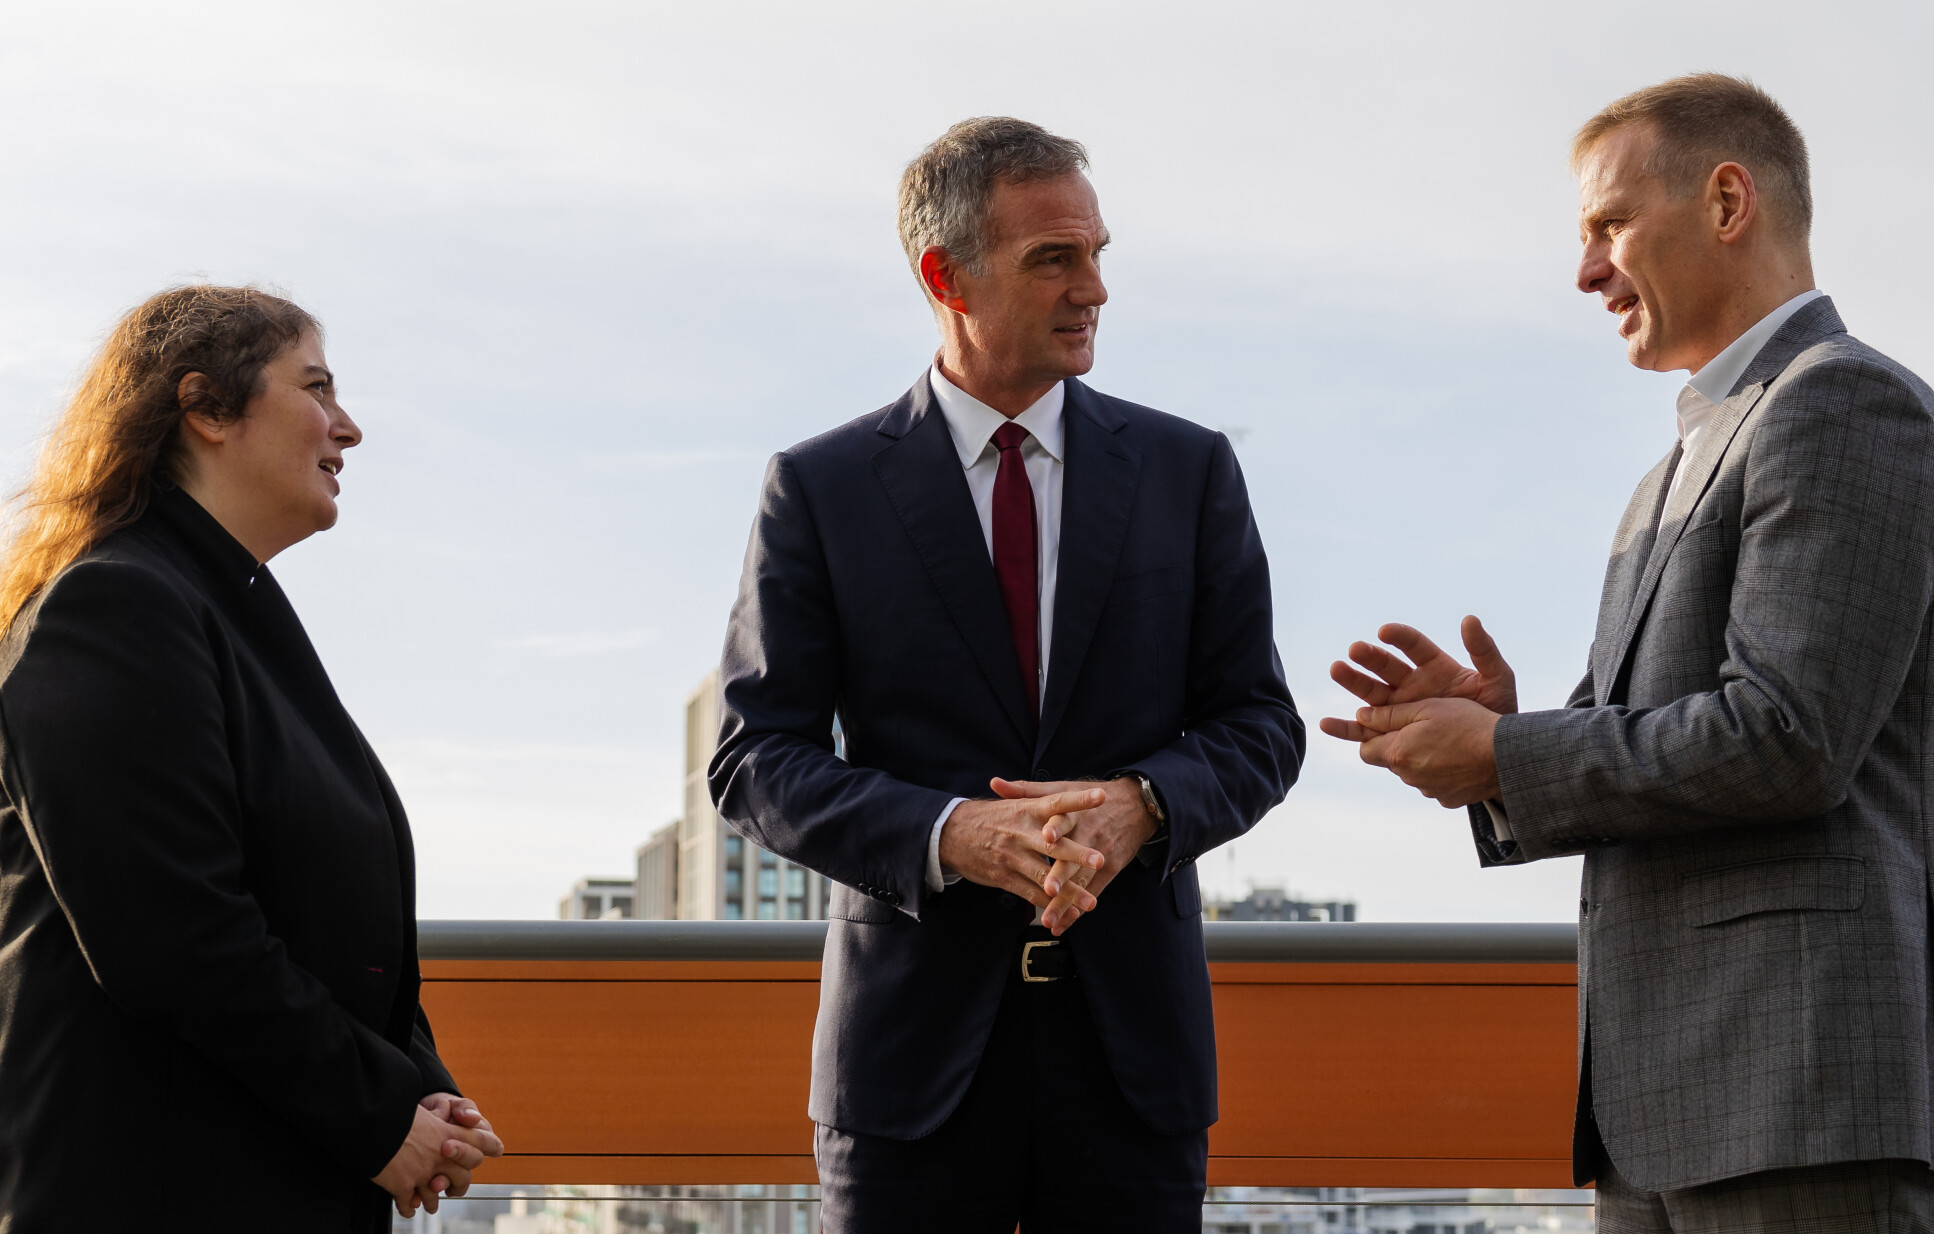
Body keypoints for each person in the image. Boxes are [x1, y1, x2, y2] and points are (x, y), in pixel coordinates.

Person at [1323, 75, 1934, 1230]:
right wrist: (1504, 729)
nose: (1584, 272)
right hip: (1670, 1111)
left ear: (1723, 201)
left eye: (1607, 225)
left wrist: (1508, 753)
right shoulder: (1676, 467)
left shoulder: (1841, 403)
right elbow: (1659, 746)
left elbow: (1785, 740)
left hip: (1795, 1100)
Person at [709, 117, 1303, 1231]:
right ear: (947, 276)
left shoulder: (1189, 470)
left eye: (1096, 253)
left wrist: (1142, 806)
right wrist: (949, 836)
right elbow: (755, 759)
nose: (1094, 289)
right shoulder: (820, 487)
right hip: (907, 1074)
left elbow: (1259, 725)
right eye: (1054, 259)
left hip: (1134, 1064)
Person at [0, 285, 504, 1230]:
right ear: (204, 409)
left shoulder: (218, 610)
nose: (347, 428)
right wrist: (378, 1111)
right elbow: (172, 932)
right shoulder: (112, 608)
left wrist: (419, 1090)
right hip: (157, 1190)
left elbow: (319, 920)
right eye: (316, 387)